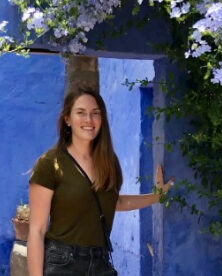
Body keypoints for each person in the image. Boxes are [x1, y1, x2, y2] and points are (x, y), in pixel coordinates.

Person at [27, 89, 173, 276]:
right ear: (67, 119)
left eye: (95, 113)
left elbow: (115, 202)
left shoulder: (108, 161)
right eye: (81, 112)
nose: (89, 119)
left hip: (100, 262)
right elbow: (36, 231)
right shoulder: (50, 163)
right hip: (62, 263)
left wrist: (157, 196)